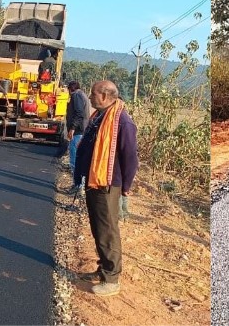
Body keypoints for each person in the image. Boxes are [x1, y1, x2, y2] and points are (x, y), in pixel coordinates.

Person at [74, 80, 138, 297]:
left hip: (108, 184)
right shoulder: (100, 117)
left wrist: (125, 190)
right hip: (94, 181)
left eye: (93, 94)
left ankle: (112, 279)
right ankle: (102, 269)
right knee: (98, 229)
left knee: (108, 231)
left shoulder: (122, 122)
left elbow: (131, 159)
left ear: (104, 95)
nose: (90, 98)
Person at [66, 81, 93, 192]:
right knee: (78, 158)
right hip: (82, 130)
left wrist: (72, 128)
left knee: (75, 159)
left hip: (78, 131)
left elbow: (79, 113)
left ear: (70, 89)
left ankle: (78, 186)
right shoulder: (83, 95)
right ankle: (78, 185)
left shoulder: (76, 95)